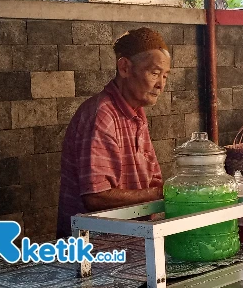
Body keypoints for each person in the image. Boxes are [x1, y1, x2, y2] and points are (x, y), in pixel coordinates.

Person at [57, 27, 171, 238]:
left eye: (165, 76)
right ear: (125, 67)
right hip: (94, 253)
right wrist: (160, 193)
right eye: (154, 73)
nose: (160, 85)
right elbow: (96, 196)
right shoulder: (101, 115)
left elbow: (154, 182)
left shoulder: (137, 114)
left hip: (131, 244)